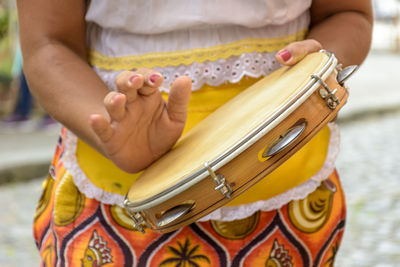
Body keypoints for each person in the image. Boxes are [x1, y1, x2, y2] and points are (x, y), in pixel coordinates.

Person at [16, 0, 372, 266]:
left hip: (286, 179)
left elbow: (348, 14)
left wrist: (318, 68)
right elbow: (49, 43)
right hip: (114, 186)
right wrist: (113, 128)